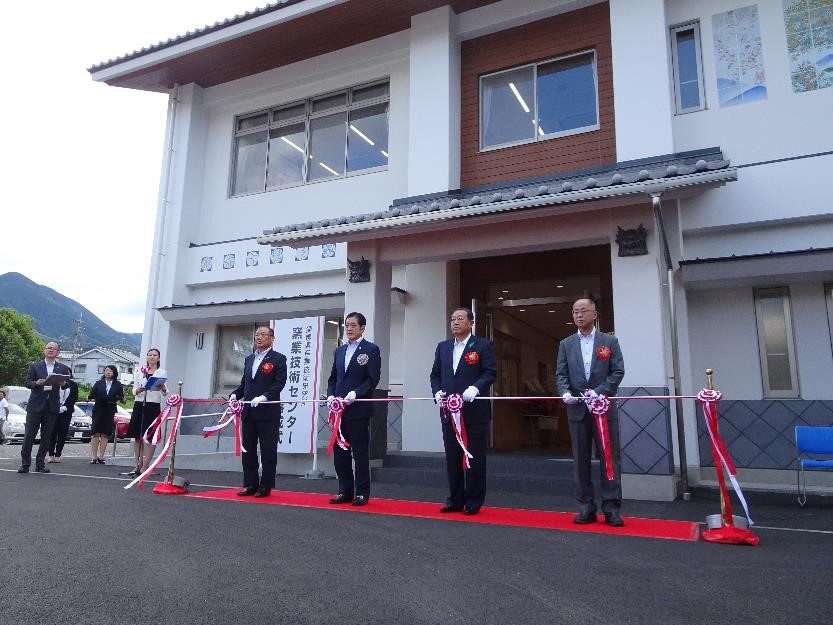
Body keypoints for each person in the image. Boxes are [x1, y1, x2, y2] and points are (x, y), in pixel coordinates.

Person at [556, 297, 625, 527]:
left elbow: (617, 371)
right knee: (580, 459)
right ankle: (586, 506)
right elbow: (561, 374)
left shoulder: (609, 341)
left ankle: (612, 507)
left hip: (604, 408)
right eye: (575, 312)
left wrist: (601, 392)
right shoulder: (566, 344)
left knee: (609, 458)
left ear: (594, 314)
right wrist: (565, 392)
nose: (578, 315)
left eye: (583, 311)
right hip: (577, 409)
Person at [429, 307, 496, 516]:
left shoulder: (483, 345)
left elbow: (490, 372)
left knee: (474, 458)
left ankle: (474, 501)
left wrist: (476, 388)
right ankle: (455, 499)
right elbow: (435, 374)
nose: (455, 322)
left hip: (474, 411)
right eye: (453, 319)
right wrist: (437, 392)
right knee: (453, 457)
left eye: (460, 319)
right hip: (449, 411)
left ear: (471, 323)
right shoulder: (443, 347)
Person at [326, 312, 382, 507]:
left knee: (359, 453)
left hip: (358, 409)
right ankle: (345, 490)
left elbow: (372, 380)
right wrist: (331, 394)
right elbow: (333, 378)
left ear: (362, 328)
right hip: (338, 411)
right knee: (340, 452)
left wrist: (355, 394)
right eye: (347, 325)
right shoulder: (340, 351)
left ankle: (362, 493)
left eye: (353, 325)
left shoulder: (371, 350)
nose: (349, 328)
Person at [230, 326, 287, 498]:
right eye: (257, 335)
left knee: (268, 450)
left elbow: (279, 383)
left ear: (272, 338)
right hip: (248, 412)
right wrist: (234, 395)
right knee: (248, 450)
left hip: (267, 411)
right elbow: (245, 384)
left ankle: (266, 486)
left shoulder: (278, 358)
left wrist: (265, 397)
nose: (259, 338)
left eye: (263, 335)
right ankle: (250, 484)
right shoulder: (249, 359)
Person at [19, 341, 72, 473]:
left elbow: (66, 386)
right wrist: (36, 383)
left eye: (54, 349)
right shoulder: (35, 366)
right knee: (29, 436)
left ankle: (40, 464)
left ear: (58, 352)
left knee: (46, 437)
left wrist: (62, 383)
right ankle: (25, 464)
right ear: (44, 350)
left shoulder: (62, 368)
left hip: (52, 407)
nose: (50, 350)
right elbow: (27, 382)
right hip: (35, 406)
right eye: (48, 348)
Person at [126, 348, 167, 476]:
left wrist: (163, 388)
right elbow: (133, 390)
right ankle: (137, 465)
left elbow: (165, 392)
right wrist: (137, 390)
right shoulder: (140, 371)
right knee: (138, 436)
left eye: (155, 355)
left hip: (153, 405)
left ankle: (146, 465)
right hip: (139, 404)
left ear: (158, 358)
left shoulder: (161, 372)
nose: (152, 357)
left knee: (150, 436)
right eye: (150, 355)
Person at [87, 365, 124, 464]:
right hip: (98, 408)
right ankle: (94, 456)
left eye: (110, 371)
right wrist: (88, 398)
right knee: (95, 432)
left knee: (105, 433)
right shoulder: (98, 383)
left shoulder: (118, 384)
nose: (108, 372)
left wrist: (122, 400)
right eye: (106, 370)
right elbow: (92, 394)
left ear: (114, 373)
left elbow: (121, 397)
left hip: (110, 409)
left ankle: (101, 456)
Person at [47, 375, 79, 462]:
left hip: (66, 412)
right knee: (52, 433)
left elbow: (74, 398)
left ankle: (58, 454)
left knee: (62, 433)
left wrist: (65, 407)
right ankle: (50, 454)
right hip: (54, 411)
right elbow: (50, 396)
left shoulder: (73, 384)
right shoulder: (54, 383)